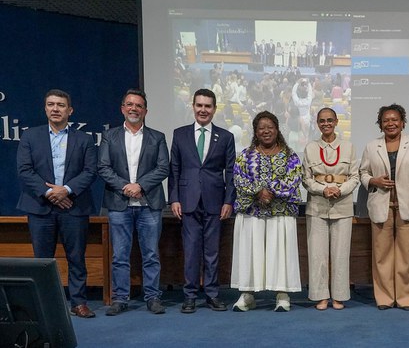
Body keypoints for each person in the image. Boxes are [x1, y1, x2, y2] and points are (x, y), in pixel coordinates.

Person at [16, 89, 98, 319]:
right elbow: (24, 170)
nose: (55, 109)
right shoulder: (30, 137)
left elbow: (91, 171)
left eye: (60, 105)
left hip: (74, 206)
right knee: (42, 260)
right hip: (40, 207)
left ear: (69, 111)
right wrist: (49, 192)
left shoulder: (85, 139)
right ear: (45, 108)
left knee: (76, 257)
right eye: (51, 104)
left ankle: (78, 302)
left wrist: (66, 190)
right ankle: (43, 305)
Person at [98, 89, 169, 316]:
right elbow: (103, 167)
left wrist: (140, 186)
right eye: (129, 104)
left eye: (138, 106)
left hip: (149, 205)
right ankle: (120, 298)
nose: (134, 109)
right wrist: (125, 186)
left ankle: (153, 297)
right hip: (119, 204)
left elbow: (163, 167)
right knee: (120, 255)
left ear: (145, 111)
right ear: (122, 108)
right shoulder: (110, 136)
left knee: (151, 254)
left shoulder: (157, 137)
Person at [168, 88, 235, 313]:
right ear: (193, 107)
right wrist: (174, 198)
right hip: (187, 201)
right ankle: (189, 296)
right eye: (199, 105)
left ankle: (213, 294)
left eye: (208, 106)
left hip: (215, 202)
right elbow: (174, 169)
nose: (203, 110)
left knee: (212, 251)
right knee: (191, 249)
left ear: (214, 109)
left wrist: (229, 201)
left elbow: (231, 172)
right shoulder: (180, 134)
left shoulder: (226, 137)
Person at [230, 111, 303, 312]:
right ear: (255, 131)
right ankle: (247, 295)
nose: (266, 131)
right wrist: (258, 191)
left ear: (277, 129)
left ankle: (282, 294)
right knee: (249, 253)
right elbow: (238, 178)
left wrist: (271, 191)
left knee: (280, 253)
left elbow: (294, 177)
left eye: (270, 127)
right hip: (251, 212)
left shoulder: (290, 155)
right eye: (261, 128)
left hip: (281, 213)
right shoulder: (244, 155)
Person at [360, 104, 409, 311]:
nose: (390, 123)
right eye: (386, 121)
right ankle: (384, 298)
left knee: (407, 255)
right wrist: (374, 181)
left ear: (402, 122)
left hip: (408, 205)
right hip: (381, 206)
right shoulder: (372, 146)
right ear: (380, 125)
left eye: (394, 119)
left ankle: (406, 298)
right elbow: (362, 173)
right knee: (382, 255)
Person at [302, 108, 360, 310]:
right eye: (321, 121)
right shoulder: (310, 147)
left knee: (340, 253)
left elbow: (355, 176)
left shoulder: (348, 146)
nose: (325, 124)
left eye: (329, 120)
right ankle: (320, 296)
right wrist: (323, 190)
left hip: (342, 205)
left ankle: (339, 296)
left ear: (336, 122)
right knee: (317, 254)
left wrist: (340, 190)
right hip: (317, 205)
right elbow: (306, 178)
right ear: (317, 123)